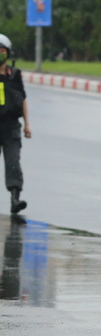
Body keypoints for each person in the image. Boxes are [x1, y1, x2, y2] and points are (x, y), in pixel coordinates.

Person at [0, 34, 32, 213]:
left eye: (2, 51)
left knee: (13, 163)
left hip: (11, 126)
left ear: (8, 53)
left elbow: (23, 100)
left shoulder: (15, 75)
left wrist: (27, 125)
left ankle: (15, 199)